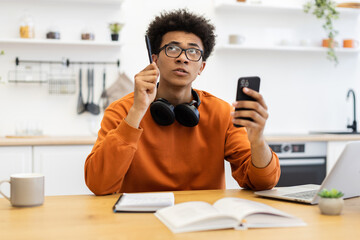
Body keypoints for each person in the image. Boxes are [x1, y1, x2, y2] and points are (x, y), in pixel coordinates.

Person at [84, 9, 280, 195]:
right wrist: (137, 111)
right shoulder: (122, 110)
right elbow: (98, 184)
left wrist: (258, 141)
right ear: (155, 60)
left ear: (201, 67)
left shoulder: (222, 113)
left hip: (201, 221)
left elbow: (263, 183)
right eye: (173, 48)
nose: (183, 58)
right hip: (140, 223)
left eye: (193, 52)